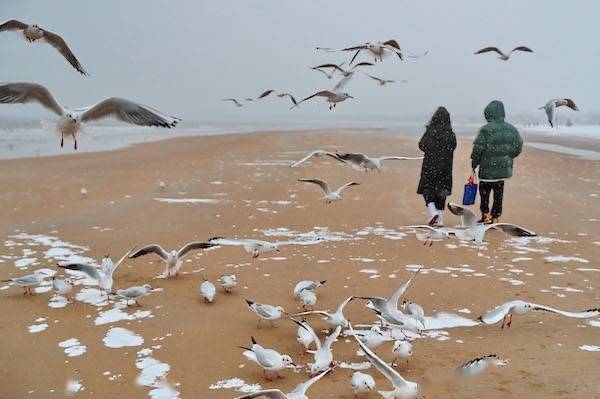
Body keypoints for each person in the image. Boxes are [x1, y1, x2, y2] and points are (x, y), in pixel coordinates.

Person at [471, 100, 523, 224]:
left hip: (486, 170)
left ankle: (485, 214)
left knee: (484, 194)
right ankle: (495, 217)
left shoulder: (485, 130)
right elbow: (518, 146)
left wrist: (474, 163)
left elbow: (478, 149)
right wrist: (508, 156)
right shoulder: (511, 129)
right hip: (502, 171)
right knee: (498, 194)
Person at [417, 106, 456, 226]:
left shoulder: (430, 131)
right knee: (442, 189)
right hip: (445, 166)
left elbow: (422, 145)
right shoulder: (450, 133)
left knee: (427, 188)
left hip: (430, 165)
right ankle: (440, 218)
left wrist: (432, 151)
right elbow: (453, 147)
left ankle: (433, 210)